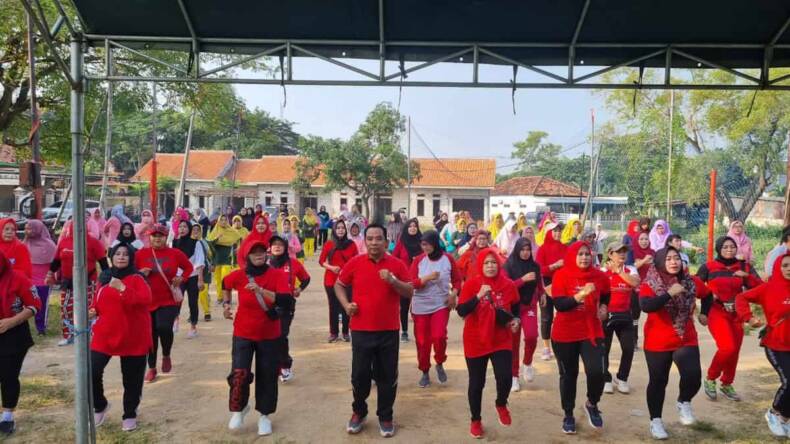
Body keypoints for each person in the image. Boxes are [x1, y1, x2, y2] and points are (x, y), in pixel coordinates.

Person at [335, 224, 413, 438]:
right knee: (359, 375)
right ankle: (358, 412)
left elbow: (409, 291)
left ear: (386, 242)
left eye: (378, 238)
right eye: (370, 238)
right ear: (365, 241)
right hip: (361, 329)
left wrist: (392, 280)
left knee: (387, 376)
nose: (374, 242)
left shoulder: (396, 265)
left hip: (388, 330)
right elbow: (339, 284)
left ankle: (385, 416)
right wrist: (346, 305)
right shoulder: (355, 263)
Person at [639, 247, 710, 440]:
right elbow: (646, 306)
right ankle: (656, 421)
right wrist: (669, 293)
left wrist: (705, 313)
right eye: (668, 259)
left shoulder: (691, 281)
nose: (673, 262)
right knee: (658, 381)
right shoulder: (650, 283)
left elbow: (708, 294)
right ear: (660, 262)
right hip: (658, 341)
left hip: (685, 337)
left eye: (676, 258)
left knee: (693, 376)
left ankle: (684, 401)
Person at [222, 240, 291, 436]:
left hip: (269, 334)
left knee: (267, 375)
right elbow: (224, 284)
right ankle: (239, 408)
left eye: (262, 251)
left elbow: (285, 300)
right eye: (254, 252)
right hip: (243, 332)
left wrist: (261, 291)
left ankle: (264, 416)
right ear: (247, 255)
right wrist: (226, 305)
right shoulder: (239, 275)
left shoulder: (276, 275)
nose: (259, 255)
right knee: (239, 374)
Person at [457, 247, 519, 439]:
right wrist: (478, 296)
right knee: (477, 383)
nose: (490, 266)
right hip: (476, 339)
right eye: (486, 263)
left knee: (505, 377)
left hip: (501, 338)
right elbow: (461, 311)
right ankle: (476, 420)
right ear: (480, 265)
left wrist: (516, 320)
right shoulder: (472, 284)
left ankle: (501, 403)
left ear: (499, 264)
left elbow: (515, 309)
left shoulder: (508, 285)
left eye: (494, 263)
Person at [89, 243, 151, 432]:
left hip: (133, 335)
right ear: (111, 257)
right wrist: (93, 310)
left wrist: (123, 288)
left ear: (131, 258)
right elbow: (98, 302)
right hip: (105, 333)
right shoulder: (105, 278)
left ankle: (129, 413)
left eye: (125, 254)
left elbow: (145, 300)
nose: (122, 257)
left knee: (131, 378)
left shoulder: (138, 278)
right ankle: (100, 405)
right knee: (91, 371)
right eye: (118, 254)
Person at [550, 241, 610, 434]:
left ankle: (592, 403)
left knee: (597, 372)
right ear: (572, 256)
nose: (584, 257)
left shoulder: (599, 276)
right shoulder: (561, 275)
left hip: (591, 330)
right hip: (565, 333)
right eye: (580, 254)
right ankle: (568, 414)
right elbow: (560, 304)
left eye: (587, 254)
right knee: (569, 375)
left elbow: (607, 294)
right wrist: (582, 294)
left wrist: (604, 307)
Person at [696, 236, 762, 402]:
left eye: (732, 247)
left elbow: (761, 288)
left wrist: (746, 276)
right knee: (727, 347)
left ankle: (727, 383)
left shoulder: (743, 266)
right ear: (719, 249)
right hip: (716, 311)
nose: (729, 250)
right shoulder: (709, 267)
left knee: (735, 350)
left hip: (736, 313)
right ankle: (710, 378)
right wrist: (703, 308)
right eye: (725, 247)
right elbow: (695, 286)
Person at [736, 253, 790, 437]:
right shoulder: (768, 288)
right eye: (785, 265)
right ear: (777, 267)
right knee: (789, 381)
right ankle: (774, 413)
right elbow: (741, 298)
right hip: (775, 344)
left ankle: (784, 418)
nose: (789, 268)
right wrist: (748, 317)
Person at [135, 224, 193, 383]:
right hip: (147, 301)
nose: (157, 238)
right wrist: (140, 273)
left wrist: (182, 278)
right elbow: (131, 273)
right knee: (150, 335)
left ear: (166, 237)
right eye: (154, 235)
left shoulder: (175, 253)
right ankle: (152, 367)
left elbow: (188, 267)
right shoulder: (140, 254)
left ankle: (166, 354)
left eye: (160, 235)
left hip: (168, 299)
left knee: (164, 327)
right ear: (149, 237)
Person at [408, 231, 461, 388]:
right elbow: (410, 283)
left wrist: (454, 294)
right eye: (423, 244)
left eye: (428, 244)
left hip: (441, 303)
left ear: (435, 243)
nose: (425, 247)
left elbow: (457, 280)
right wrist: (426, 278)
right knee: (423, 341)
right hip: (420, 305)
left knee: (438, 337)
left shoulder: (448, 259)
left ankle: (439, 362)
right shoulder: (418, 260)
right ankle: (424, 371)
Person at [48, 220, 109, 346]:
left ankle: (91, 334)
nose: (77, 230)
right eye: (74, 227)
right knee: (66, 307)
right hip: (68, 281)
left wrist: (106, 281)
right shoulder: (64, 242)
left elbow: (104, 264)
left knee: (90, 309)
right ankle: (68, 335)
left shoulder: (93, 242)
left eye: (80, 228)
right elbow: (56, 261)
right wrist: (49, 274)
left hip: (88, 281)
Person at [0, 250, 41, 436]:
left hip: (14, 335)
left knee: (8, 375)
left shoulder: (18, 278)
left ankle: (7, 416)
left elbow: (34, 305)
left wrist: (11, 321)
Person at [267, 235, 310, 383]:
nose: (277, 247)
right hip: (268, 305)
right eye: (274, 245)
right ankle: (274, 366)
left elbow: (306, 278)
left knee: (281, 335)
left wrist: (299, 288)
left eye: (280, 244)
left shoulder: (293, 263)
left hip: (286, 305)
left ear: (285, 247)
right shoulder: (265, 264)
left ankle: (285, 366)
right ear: (270, 248)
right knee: (269, 337)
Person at [601, 241, 640, 395]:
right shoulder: (603, 270)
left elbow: (635, 282)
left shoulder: (630, 269)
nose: (623, 254)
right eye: (619, 252)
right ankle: (606, 379)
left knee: (629, 348)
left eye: (624, 251)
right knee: (604, 349)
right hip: (606, 316)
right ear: (610, 254)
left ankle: (622, 378)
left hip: (625, 315)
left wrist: (618, 271)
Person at [504, 237, 543, 392]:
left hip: (529, 306)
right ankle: (514, 376)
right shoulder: (509, 265)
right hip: (513, 308)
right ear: (517, 249)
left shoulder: (535, 266)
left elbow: (539, 284)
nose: (526, 252)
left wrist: (542, 295)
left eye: (528, 249)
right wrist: (522, 280)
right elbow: (505, 287)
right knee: (513, 343)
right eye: (523, 249)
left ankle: (527, 363)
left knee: (532, 336)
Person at [318, 220, 358, 342]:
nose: (340, 230)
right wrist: (331, 268)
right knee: (333, 306)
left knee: (346, 306)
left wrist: (347, 270)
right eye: (338, 228)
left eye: (343, 228)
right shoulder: (329, 244)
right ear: (334, 230)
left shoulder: (351, 244)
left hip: (347, 281)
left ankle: (346, 332)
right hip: (331, 280)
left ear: (346, 230)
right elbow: (321, 261)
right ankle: (333, 332)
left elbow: (356, 260)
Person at [536, 223, 566, 361]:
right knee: (546, 316)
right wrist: (555, 265)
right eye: (555, 231)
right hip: (546, 284)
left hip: (563, 284)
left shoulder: (565, 248)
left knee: (563, 314)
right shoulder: (542, 249)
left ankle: (562, 343)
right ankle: (546, 347)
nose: (558, 234)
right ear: (548, 232)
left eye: (559, 231)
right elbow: (539, 270)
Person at [173, 220, 206, 339]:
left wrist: (200, 279)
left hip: (192, 276)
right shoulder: (174, 242)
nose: (182, 229)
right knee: (176, 299)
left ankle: (193, 327)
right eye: (180, 226)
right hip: (179, 277)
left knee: (193, 302)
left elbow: (199, 261)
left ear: (189, 229)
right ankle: (175, 319)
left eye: (185, 227)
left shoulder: (195, 243)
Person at [22, 220, 56, 336]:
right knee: (23, 305)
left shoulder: (49, 245)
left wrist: (53, 277)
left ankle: (41, 328)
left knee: (41, 305)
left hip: (44, 281)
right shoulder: (25, 243)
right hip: (28, 280)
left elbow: (55, 264)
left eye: (30, 228)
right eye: (26, 228)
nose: (27, 231)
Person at [393, 218, 422, 342]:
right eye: (410, 226)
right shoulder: (402, 242)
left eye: (415, 226)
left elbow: (429, 255)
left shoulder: (422, 241)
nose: (412, 228)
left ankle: (420, 332)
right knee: (404, 306)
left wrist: (419, 258)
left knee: (418, 307)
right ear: (406, 228)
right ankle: (404, 331)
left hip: (420, 279)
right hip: (404, 280)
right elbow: (394, 258)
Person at [208, 215, 244, 304]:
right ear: (219, 221)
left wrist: (239, 248)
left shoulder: (231, 231)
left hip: (227, 260)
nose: (223, 222)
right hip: (217, 260)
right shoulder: (215, 231)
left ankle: (227, 299)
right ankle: (220, 298)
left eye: (225, 220)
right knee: (218, 281)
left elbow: (240, 237)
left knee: (226, 280)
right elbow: (209, 244)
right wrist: (217, 238)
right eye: (222, 220)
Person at [191, 224, 213, 322]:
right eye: (194, 230)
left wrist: (212, 264)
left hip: (204, 271)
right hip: (192, 272)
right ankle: (193, 314)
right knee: (193, 295)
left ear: (200, 231)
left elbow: (212, 255)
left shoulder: (205, 242)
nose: (196, 231)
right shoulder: (188, 243)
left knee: (203, 293)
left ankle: (207, 312)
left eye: (198, 230)